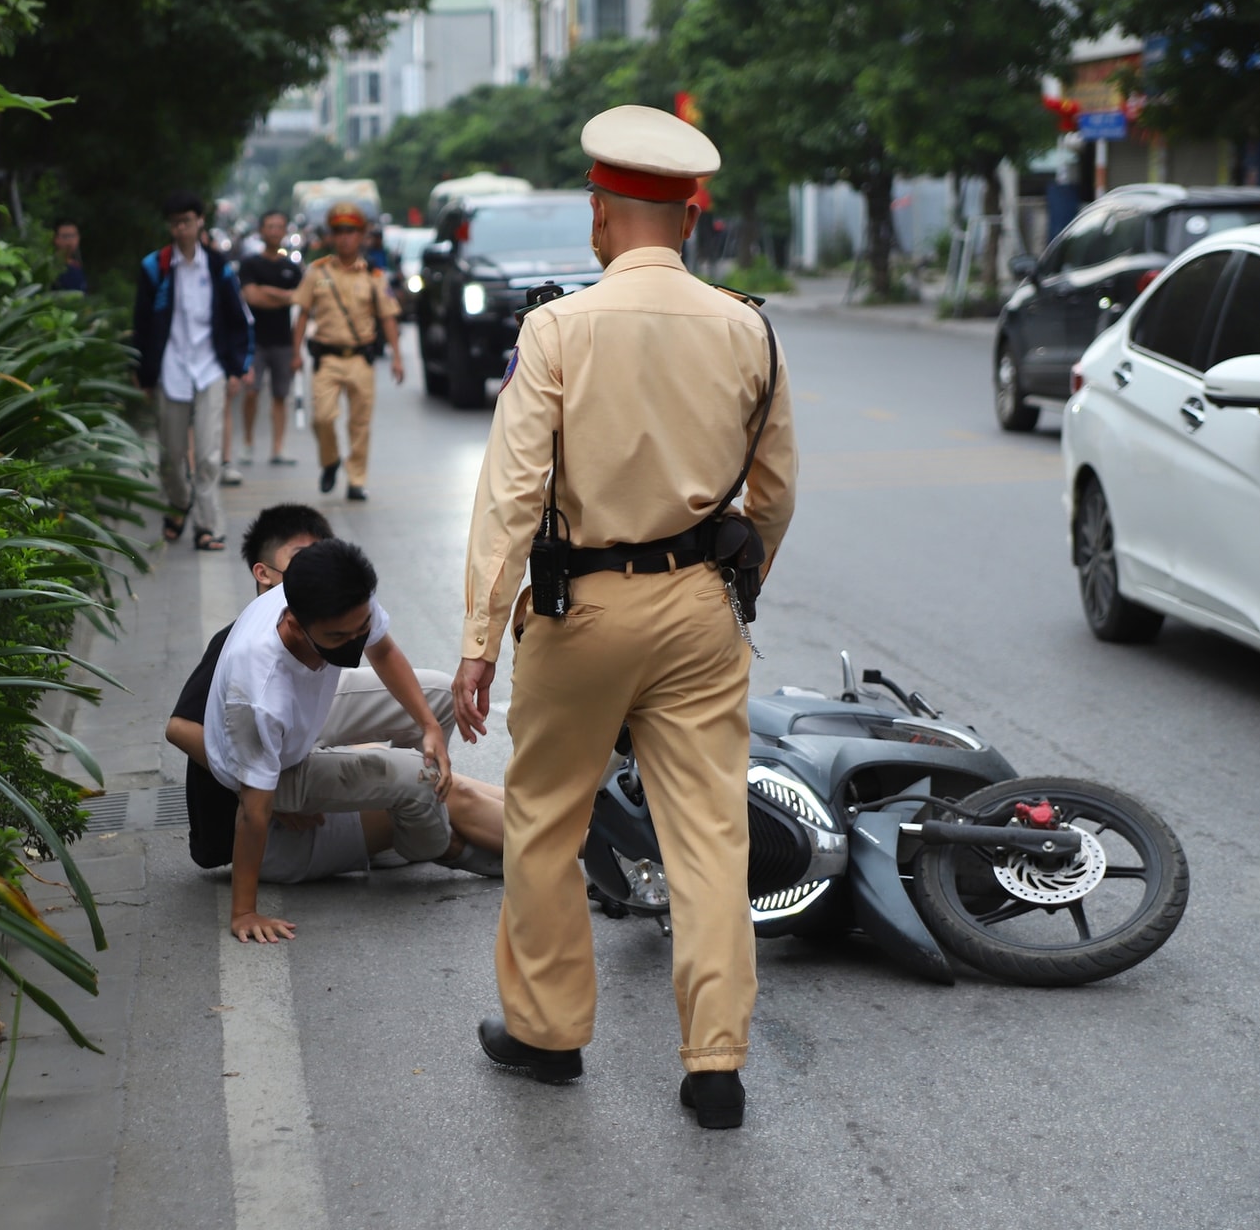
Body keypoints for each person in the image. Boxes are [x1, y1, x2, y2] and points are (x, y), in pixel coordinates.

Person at [452, 105, 797, 1127]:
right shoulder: (747, 326)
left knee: (544, 822)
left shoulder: (559, 327)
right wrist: (736, 585)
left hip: (583, 611)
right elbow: (773, 492)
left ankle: (548, 1033)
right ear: (689, 218)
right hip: (699, 610)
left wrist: (480, 640)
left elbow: (511, 498)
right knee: (710, 836)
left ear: (601, 215)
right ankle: (715, 1065)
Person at [167, 506, 506, 889]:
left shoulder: (341, 597)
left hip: (294, 751)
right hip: (269, 833)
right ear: (268, 576)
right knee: (435, 787)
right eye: (301, 557)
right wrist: (268, 795)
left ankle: (542, 818)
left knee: (435, 735)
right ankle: (541, 847)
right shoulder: (255, 677)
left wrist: (426, 726)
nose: (353, 641)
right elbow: (182, 731)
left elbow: (383, 651)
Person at [132, 192, 253, 552]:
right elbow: (141, 324)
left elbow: (238, 319)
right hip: (170, 370)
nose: (180, 229)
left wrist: (237, 369)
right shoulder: (155, 266)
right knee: (170, 456)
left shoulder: (218, 267)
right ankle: (179, 502)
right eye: (175, 223)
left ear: (200, 221)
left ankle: (207, 525)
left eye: (186, 221)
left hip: (210, 369)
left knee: (207, 455)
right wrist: (143, 373)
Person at [291, 202, 402, 503]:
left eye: (351, 232)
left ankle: (356, 480)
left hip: (360, 359)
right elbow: (302, 312)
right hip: (326, 358)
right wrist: (296, 353)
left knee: (360, 424)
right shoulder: (317, 272)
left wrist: (397, 357)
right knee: (322, 418)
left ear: (362, 236)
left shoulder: (374, 276)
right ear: (331, 236)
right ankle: (330, 461)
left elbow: (388, 317)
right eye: (339, 232)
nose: (345, 238)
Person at [238, 210, 305, 468]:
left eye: (279, 226)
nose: (275, 231)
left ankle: (278, 448)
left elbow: (300, 299)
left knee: (280, 395)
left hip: (283, 341)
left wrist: (267, 291)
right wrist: (284, 297)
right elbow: (251, 297)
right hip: (254, 341)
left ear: (285, 231)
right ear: (262, 230)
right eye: (270, 226)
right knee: (251, 392)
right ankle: (247, 443)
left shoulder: (291, 268)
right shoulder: (250, 264)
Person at [51, 218, 88, 293]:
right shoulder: (51, 266)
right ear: (56, 239)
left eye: (73, 236)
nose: (70, 240)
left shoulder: (76, 265)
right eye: (65, 236)